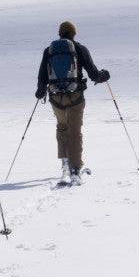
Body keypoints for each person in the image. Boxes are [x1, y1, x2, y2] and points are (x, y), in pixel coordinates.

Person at [35, 20, 110, 186]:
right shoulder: (79, 49)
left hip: (56, 98)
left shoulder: (49, 51)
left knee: (62, 127)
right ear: (74, 33)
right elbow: (94, 74)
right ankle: (75, 170)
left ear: (60, 33)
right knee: (74, 132)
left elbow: (42, 76)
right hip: (75, 97)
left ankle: (65, 163)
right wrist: (104, 75)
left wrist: (40, 90)